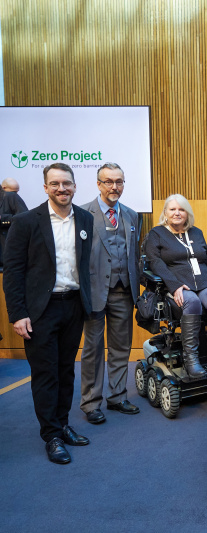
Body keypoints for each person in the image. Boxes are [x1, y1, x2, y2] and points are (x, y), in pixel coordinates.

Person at [3, 163, 93, 464]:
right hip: (40, 310)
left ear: (75, 186)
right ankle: (51, 435)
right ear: (45, 188)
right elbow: (13, 272)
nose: (61, 189)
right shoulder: (26, 221)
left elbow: (84, 266)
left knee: (66, 370)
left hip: (73, 306)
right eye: (54, 184)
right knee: (45, 374)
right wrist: (18, 314)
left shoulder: (85, 219)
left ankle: (63, 424)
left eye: (66, 183)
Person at [145, 194, 207, 379]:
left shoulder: (196, 232)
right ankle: (191, 360)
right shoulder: (156, 234)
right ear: (165, 213)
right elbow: (155, 263)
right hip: (176, 282)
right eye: (173, 209)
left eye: (181, 209)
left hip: (203, 280)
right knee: (191, 302)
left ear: (187, 213)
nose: (177, 213)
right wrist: (175, 286)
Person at [80, 163, 141, 424]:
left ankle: (117, 396)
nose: (114, 186)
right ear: (98, 184)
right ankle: (91, 402)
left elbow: (133, 254)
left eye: (119, 181)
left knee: (120, 347)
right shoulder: (82, 213)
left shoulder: (131, 215)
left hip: (123, 291)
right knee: (93, 349)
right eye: (108, 181)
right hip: (94, 292)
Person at [0, 179, 28, 266]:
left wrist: (2, 218)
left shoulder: (11, 196)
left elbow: (24, 218)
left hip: (6, 254)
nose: (16, 194)